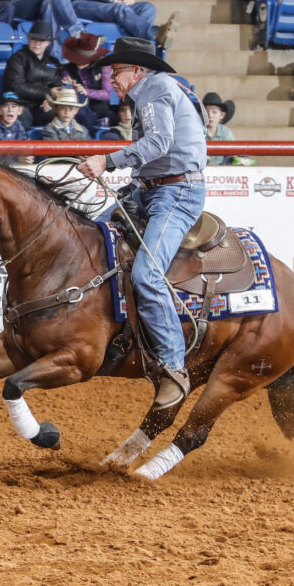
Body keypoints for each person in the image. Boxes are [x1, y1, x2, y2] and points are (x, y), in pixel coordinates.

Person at [76, 36, 208, 410]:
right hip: (152, 191)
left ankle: (173, 367)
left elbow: (161, 143)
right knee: (89, 239)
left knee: (147, 274)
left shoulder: (155, 89)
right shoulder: (153, 92)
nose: (111, 80)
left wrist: (106, 161)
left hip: (176, 195)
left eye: (115, 72)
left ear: (137, 69)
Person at [2, 20, 65, 127]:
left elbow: (58, 88)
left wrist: (52, 102)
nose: (37, 43)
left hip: (42, 106)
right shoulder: (18, 58)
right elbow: (16, 87)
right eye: (34, 39)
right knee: (22, 117)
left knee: (61, 114)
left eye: (42, 40)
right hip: (19, 104)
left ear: (48, 42)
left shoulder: (54, 62)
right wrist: (48, 93)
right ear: (28, 39)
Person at [60, 32, 113, 128]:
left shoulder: (103, 67)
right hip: (78, 109)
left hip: (99, 109)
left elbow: (106, 94)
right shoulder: (67, 69)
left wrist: (86, 91)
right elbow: (64, 90)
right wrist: (70, 87)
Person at [201, 91, 252, 165]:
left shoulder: (225, 132)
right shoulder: (198, 131)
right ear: (201, 115)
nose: (210, 115)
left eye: (214, 112)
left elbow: (232, 152)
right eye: (206, 112)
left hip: (222, 170)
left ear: (222, 115)